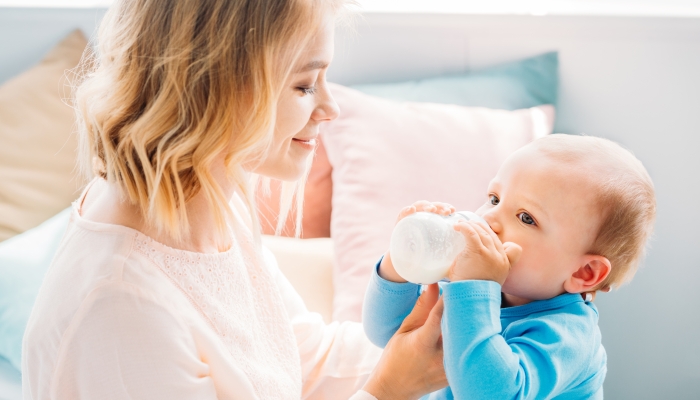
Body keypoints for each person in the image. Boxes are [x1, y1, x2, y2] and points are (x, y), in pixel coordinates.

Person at [21, 1, 447, 399]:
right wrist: (389, 388)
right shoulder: (120, 305)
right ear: (215, 88)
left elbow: (302, 358)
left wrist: (450, 335)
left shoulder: (208, 201)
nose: (329, 108)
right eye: (303, 86)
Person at [363, 134, 656, 399]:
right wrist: (400, 265)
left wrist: (474, 290)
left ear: (584, 273)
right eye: (494, 199)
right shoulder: (463, 290)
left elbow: (492, 394)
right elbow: (387, 333)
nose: (490, 219)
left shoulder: (568, 337)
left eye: (526, 217)